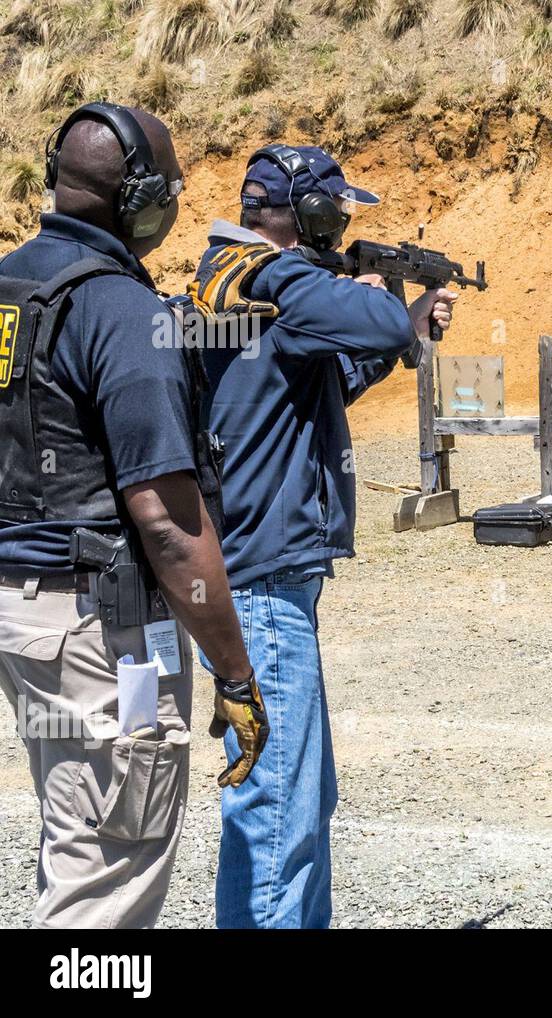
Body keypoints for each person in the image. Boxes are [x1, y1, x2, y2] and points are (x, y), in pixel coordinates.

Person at [0, 102, 266, 928]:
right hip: (96, 630)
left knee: (76, 829)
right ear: (142, 197)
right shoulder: (121, 310)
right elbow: (164, 522)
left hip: (27, 613)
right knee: (111, 868)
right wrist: (235, 671)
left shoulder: (11, 283)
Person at [186, 143, 454, 928]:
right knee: (279, 818)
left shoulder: (238, 285)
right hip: (262, 584)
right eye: (331, 211)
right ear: (298, 214)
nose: (339, 224)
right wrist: (386, 301)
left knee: (298, 801)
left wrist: (408, 333)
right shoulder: (270, 275)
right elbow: (365, 319)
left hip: (264, 580)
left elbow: (313, 380)